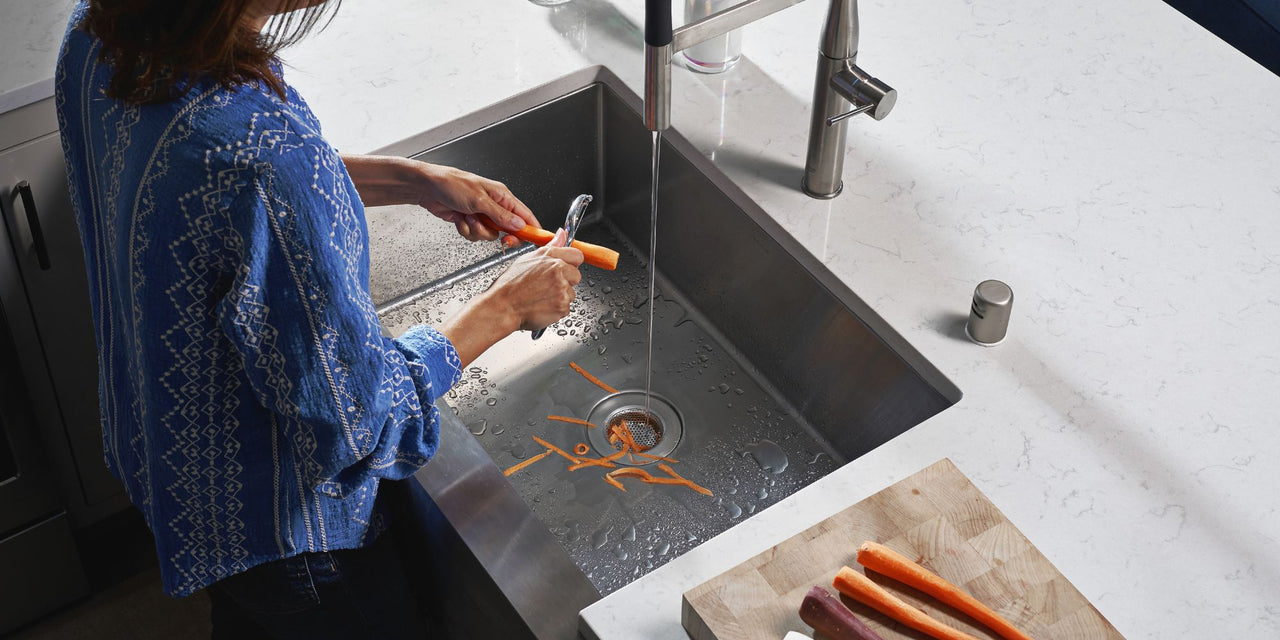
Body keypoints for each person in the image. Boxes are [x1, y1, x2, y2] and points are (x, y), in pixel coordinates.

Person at [55, 0, 583, 636]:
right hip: (295, 540)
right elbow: (362, 425)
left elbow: (234, 191)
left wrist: (412, 179)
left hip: (183, 476)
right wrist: (505, 307)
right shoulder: (266, 159)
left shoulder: (99, 31)